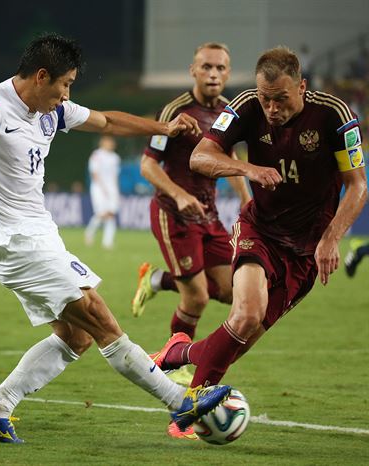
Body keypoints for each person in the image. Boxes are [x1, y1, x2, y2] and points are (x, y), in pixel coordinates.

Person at [0, 33, 231, 443]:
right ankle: (179, 400)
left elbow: (105, 120)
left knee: (78, 337)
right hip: (18, 244)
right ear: (41, 76)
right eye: (65, 84)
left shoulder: (50, 110)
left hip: (38, 238)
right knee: (102, 319)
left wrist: (164, 128)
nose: (67, 94)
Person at [151, 46, 367, 391]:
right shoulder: (246, 105)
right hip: (260, 230)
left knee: (234, 346)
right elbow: (199, 157)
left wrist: (331, 239)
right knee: (245, 315)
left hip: (306, 250)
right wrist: (248, 168)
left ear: (302, 87)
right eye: (267, 99)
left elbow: (358, 187)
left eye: (281, 99)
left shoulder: (335, 115)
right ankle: (190, 407)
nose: (272, 109)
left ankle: (179, 352)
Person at [130, 43, 251, 384]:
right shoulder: (175, 111)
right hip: (173, 213)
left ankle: (157, 279)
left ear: (228, 73)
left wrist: (245, 201)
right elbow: (148, 166)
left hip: (209, 215)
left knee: (229, 291)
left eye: (220, 68)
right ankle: (174, 362)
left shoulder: (231, 112)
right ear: (193, 71)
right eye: (207, 67)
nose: (214, 74)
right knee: (196, 296)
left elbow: (232, 164)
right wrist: (179, 194)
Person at [84, 135, 121, 249]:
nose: (111, 144)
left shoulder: (115, 158)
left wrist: (114, 189)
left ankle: (107, 242)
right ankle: (89, 232)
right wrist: (102, 188)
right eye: (108, 142)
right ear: (102, 143)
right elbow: (94, 173)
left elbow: (115, 175)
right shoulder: (97, 155)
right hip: (99, 188)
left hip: (112, 188)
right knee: (101, 213)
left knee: (111, 214)